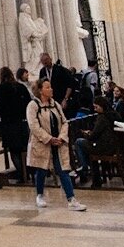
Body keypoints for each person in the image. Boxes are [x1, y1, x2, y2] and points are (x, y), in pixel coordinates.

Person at [26, 78, 87, 211]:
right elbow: (33, 126)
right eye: (47, 87)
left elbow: (64, 121)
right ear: (40, 90)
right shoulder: (33, 105)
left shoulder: (55, 104)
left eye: (50, 87)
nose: (51, 89)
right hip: (43, 143)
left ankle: (71, 199)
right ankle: (39, 195)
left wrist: (61, 137)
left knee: (63, 170)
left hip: (58, 143)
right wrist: (48, 138)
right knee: (41, 169)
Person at [0, 66, 32, 184]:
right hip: (22, 123)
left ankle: (22, 175)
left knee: (13, 151)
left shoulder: (2, 87)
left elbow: (0, 108)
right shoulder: (21, 87)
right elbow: (29, 103)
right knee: (24, 149)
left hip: (9, 124)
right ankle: (28, 172)